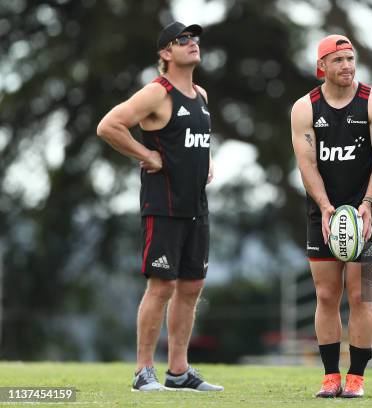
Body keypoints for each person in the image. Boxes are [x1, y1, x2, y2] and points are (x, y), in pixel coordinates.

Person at [97, 21, 223, 392]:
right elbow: (109, 126)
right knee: (162, 286)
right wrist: (145, 153)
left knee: (192, 286)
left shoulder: (200, 94)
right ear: (165, 53)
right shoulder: (157, 92)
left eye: (194, 38)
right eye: (182, 39)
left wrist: (207, 159)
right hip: (163, 205)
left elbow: (193, 139)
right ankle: (142, 372)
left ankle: (179, 371)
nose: (191, 43)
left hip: (196, 206)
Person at [291, 34, 372, 398]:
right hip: (322, 210)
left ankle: (357, 377)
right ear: (321, 66)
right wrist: (323, 206)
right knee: (326, 294)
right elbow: (306, 164)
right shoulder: (305, 108)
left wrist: (366, 203)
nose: (347, 66)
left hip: (363, 210)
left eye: (350, 58)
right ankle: (330, 376)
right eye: (338, 60)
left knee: (360, 295)